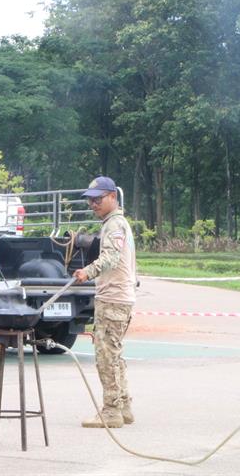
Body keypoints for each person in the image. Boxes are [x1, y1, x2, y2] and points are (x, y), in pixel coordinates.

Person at [73, 176, 137, 428]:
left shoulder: (114, 225)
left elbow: (110, 257)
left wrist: (87, 271)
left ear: (113, 197)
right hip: (120, 297)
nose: (93, 204)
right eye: (90, 200)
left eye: (98, 199)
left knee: (106, 356)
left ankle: (111, 412)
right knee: (115, 353)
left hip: (113, 298)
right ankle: (124, 406)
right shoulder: (117, 223)